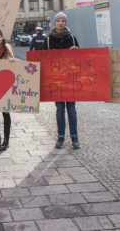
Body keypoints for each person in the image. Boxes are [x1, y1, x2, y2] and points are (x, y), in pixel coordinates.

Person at [47, 12, 81, 150]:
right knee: (60, 109)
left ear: (66, 23)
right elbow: (41, 59)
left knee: (71, 110)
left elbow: (81, 60)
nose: (61, 22)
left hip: (71, 79)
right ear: (55, 23)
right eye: (58, 20)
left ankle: (74, 138)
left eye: (63, 20)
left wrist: (76, 51)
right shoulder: (48, 40)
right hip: (56, 81)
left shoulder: (72, 38)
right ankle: (60, 137)